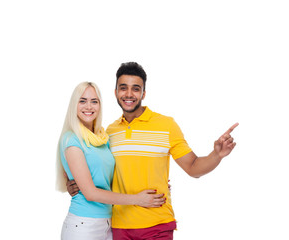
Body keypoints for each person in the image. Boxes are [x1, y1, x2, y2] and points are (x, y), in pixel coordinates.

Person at [66, 62, 239, 240]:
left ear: (144, 93)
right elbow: (97, 167)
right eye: (123, 88)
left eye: (135, 89)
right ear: (116, 92)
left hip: (157, 224)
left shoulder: (166, 125)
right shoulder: (109, 132)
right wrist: (71, 183)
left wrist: (216, 155)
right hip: (118, 226)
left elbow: (193, 168)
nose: (128, 94)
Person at [56, 81, 166, 240]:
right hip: (83, 225)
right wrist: (137, 199)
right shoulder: (71, 140)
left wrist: (154, 182)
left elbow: (116, 175)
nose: (89, 106)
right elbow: (91, 193)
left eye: (94, 101)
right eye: (82, 101)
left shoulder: (102, 138)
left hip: (109, 222)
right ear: (74, 105)